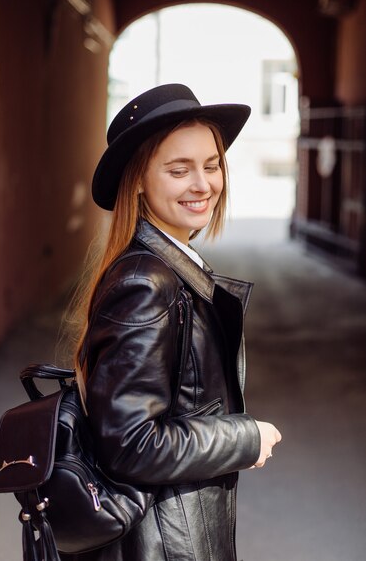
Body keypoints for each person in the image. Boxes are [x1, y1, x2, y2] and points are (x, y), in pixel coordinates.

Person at [69, 83, 282, 561]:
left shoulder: (173, 268)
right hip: (165, 543)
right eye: (179, 170)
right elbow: (130, 444)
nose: (203, 184)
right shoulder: (146, 283)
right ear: (139, 180)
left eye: (211, 165)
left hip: (177, 531)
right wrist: (245, 437)